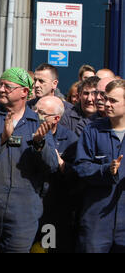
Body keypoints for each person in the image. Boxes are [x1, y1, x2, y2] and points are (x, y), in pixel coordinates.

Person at [0, 67, 59, 253]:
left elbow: (52, 165)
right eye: (0, 85)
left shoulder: (37, 122)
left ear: (24, 92)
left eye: (8, 86)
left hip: (22, 212)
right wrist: (1, 138)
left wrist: (39, 144)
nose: (1, 89)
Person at [74, 79, 125, 253]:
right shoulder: (92, 130)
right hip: (98, 219)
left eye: (114, 101)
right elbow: (81, 166)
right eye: (106, 98)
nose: (106, 104)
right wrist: (105, 170)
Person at [33, 96, 78, 253]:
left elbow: (75, 175)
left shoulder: (70, 139)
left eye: (41, 112)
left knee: (47, 248)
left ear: (56, 118)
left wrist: (61, 164)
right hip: (28, 205)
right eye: (34, 109)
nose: (35, 114)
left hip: (53, 210)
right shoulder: (27, 132)